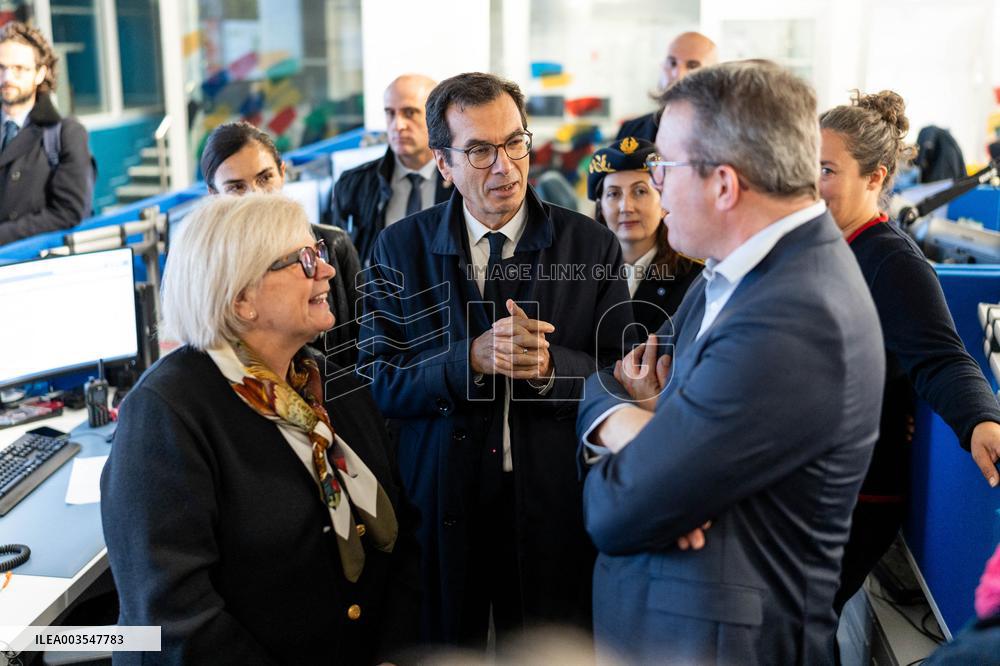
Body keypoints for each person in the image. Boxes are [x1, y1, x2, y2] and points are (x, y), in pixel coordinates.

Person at [577, 60, 885, 664]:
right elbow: (615, 377)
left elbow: (617, 510)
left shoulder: (795, 315)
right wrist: (636, 429)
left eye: (662, 167)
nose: (655, 186)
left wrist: (636, 437)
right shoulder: (731, 273)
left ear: (724, 184)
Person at [357, 72, 634, 647]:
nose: (505, 166)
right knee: (442, 646)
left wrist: (554, 369)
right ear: (443, 163)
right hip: (438, 499)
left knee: (548, 647)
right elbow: (376, 380)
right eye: (480, 151)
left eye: (514, 142)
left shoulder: (590, 246)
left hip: (552, 498)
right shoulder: (398, 250)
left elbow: (621, 377)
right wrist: (469, 362)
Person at [101, 194, 419, 664]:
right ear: (242, 299)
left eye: (320, 254)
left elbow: (402, 541)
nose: (327, 271)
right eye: (304, 260)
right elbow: (175, 622)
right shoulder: (166, 413)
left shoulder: (330, 382)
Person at [818, 90, 1000, 612]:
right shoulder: (818, 247)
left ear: (874, 177)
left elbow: (941, 357)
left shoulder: (890, 260)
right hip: (812, 483)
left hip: (854, 495)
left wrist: (980, 420)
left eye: (828, 170)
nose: (812, 184)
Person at [201, 120, 362, 366]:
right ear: (214, 195)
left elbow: (362, 350)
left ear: (283, 174)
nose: (256, 196)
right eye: (236, 187)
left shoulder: (332, 246)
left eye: (264, 178)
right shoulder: (207, 269)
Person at [333, 74, 451, 265]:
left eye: (410, 113)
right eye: (390, 113)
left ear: (437, 117)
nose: (398, 125)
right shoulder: (353, 185)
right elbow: (340, 263)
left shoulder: (461, 181)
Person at [587, 136, 702, 332]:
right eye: (613, 194)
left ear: (664, 202)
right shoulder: (577, 274)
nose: (626, 207)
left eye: (640, 191)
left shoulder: (693, 280)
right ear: (601, 209)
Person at [0, 21, 93, 245]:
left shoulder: (66, 134)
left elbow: (68, 213)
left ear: (41, 73)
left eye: (19, 68)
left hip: (35, 267)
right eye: (1, 67)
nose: (7, 78)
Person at [615, 31, 717, 142]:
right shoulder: (631, 131)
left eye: (692, 66)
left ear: (714, 74)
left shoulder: (726, 134)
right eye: (672, 63)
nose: (677, 74)